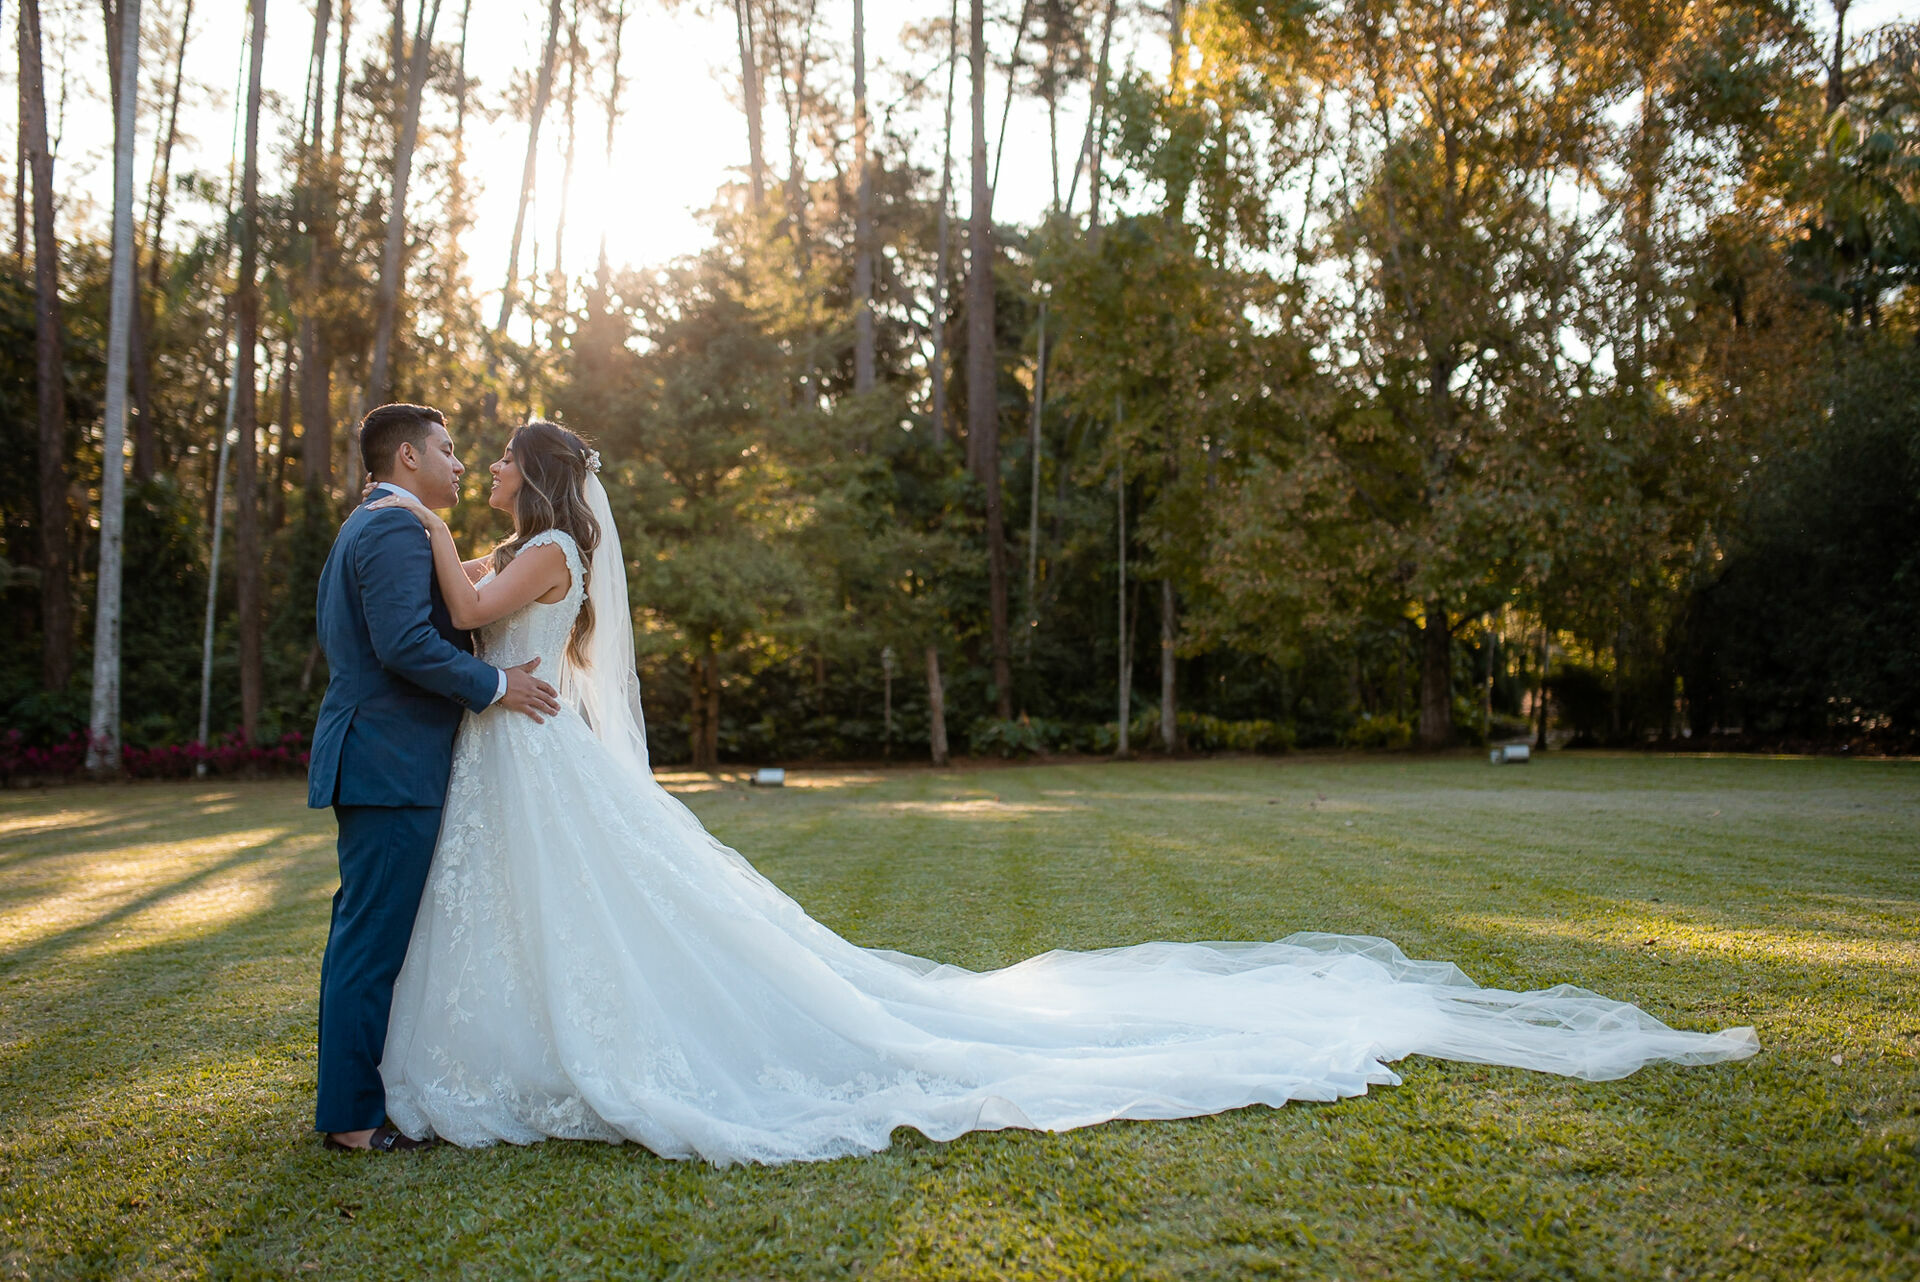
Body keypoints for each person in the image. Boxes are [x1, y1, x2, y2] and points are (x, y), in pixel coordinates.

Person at [365, 419, 1759, 1166]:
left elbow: (474, 606)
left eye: (497, 454)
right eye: (467, 458)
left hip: (533, 754)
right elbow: (484, 614)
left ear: (537, 475)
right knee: (554, 913)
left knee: (602, 913)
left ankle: (560, 1055)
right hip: (520, 751)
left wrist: (411, 515)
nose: (483, 464)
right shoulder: (533, 542)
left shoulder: (541, 548)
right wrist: (438, 542)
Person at [307, 404, 560, 1153]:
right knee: (370, 940)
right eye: (447, 450)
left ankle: (355, 1101)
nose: (460, 463)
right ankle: (352, 1121)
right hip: (388, 760)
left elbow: (443, 606)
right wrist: (497, 684)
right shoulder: (392, 527)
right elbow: (405, 643)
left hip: (384, 757)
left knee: (366, 932)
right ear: (408, 458)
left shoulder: (383, 525)